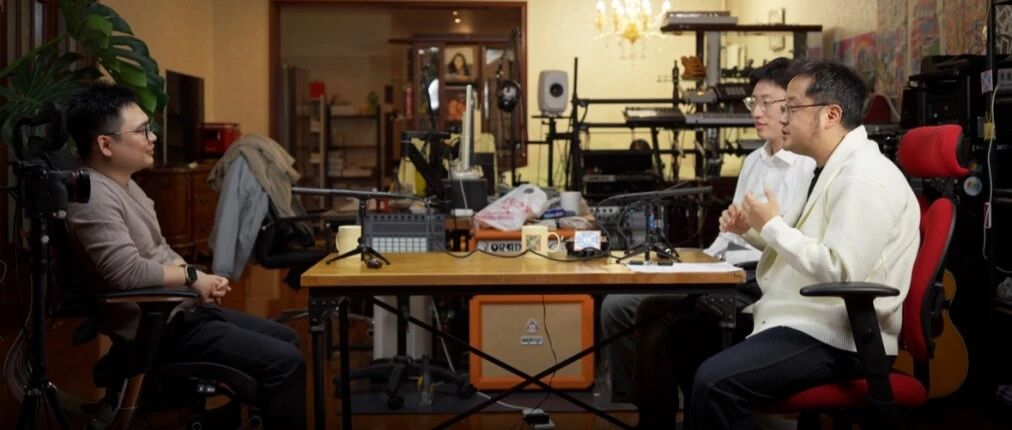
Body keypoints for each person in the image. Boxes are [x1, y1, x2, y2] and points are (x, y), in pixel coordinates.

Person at [685, 60, 920, 430]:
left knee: (716, 384)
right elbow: (806, 246)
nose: (782, 118)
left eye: (791, 108)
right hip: (802, 317)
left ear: (830, 115)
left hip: (840, 334)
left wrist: (773, 225)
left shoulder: (864, 176)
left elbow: (841, 271)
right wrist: (754, 229)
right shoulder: (826, 168)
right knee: (685, 337)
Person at [64, 83, 307, 430]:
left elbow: (160, 248)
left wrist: (197, 277)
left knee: (287, 339)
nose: (152, 137)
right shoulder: (93, 199)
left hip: (179, 312)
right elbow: (127, 273)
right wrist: (192, 278)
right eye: (142, 131)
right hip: (158, 328)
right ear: (105, 144)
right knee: (285, 362)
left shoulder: (125, 184)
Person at [600, 58, 816, 425]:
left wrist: (747, 230)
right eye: (753, 102)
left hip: (755, 278)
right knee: (617, 306)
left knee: (652, 313)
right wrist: (701, 257)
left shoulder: (807, 166)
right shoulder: (754, 160)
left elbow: (786, 245)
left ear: (791, 105)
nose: (757, 112)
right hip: (721, 266)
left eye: (766, 102)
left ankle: (661, 415)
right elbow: (729, 233)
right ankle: (648, 406)